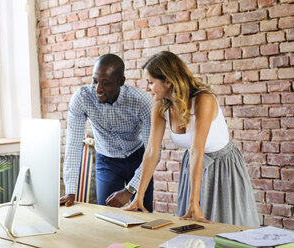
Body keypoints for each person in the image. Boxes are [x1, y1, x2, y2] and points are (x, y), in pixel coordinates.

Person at [123, 51, 260, 227]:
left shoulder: (204, 99)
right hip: (193, 164)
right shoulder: (159, 104)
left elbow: (197, 149)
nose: (147, 87)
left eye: (150, 82)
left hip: (222, 165)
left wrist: (194, 201)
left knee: (226, 226)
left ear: (168, 81)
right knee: (193, 230)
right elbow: (151, 151)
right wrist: (138, 196)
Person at [60, 54, 154, 211]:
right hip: (106, 161)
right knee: (107, 216)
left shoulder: (142, 101)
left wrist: (130, 190)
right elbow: (73, 144)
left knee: (142, 214)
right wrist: (70, 190)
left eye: (106, 83)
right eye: (95, 81)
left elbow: (153, 151)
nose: (98, 89)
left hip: (139, 159)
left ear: (121, 82)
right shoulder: (82, 98)